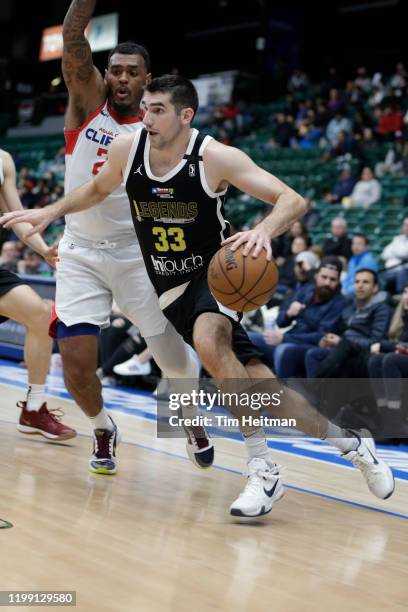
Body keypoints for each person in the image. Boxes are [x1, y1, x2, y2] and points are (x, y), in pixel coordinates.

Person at [1, 75, 395, 517]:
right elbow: (95, 189)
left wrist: (263, 230)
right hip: (171, 291)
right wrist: (50, 211)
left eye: (158, 110)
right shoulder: (127, 150)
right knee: (266, 394)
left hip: (217, 275)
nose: (146, 117)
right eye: (145, 108)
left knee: (209, 341)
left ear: (185, 115)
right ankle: (355, 446)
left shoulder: (213, 156)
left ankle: (263, 470)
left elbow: (291, 199)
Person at [0, 149, 76, 441]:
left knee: (41, 314)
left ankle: (33, 409)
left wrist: (43, 248)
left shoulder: (4, 159)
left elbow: (15, 216)